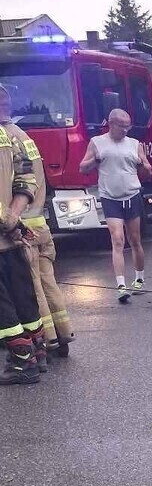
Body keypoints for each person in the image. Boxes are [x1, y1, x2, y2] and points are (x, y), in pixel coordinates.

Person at [0, 84, 74, 358]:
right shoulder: (24, 136)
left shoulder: (6, 138)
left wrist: (11, 219)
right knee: (48, 281)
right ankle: (63, 333)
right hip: (40, 224)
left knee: (32, 289)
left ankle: (46, 341)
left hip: (20, 228)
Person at [79, 108, 152, 303]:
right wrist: (95, 160)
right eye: (122, 127)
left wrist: (142, 165)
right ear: (111, 124)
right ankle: (121, 285)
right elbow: (83, 167)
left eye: (128, 127)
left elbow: (148, 172)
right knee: (117, 240)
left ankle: (139, 279)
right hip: (110, 197)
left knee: (134, 240)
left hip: (132, 195)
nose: (126, 131)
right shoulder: (97, 143)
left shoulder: (135, 144)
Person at [0, 114, 45, 385]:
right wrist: (14, 217)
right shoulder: (6, 135)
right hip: (10, 235)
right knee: (22, 297)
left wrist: (7, 219)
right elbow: (26, 175)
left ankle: (21, 362)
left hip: (6, 230)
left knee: (3, 305)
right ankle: (37, 352)